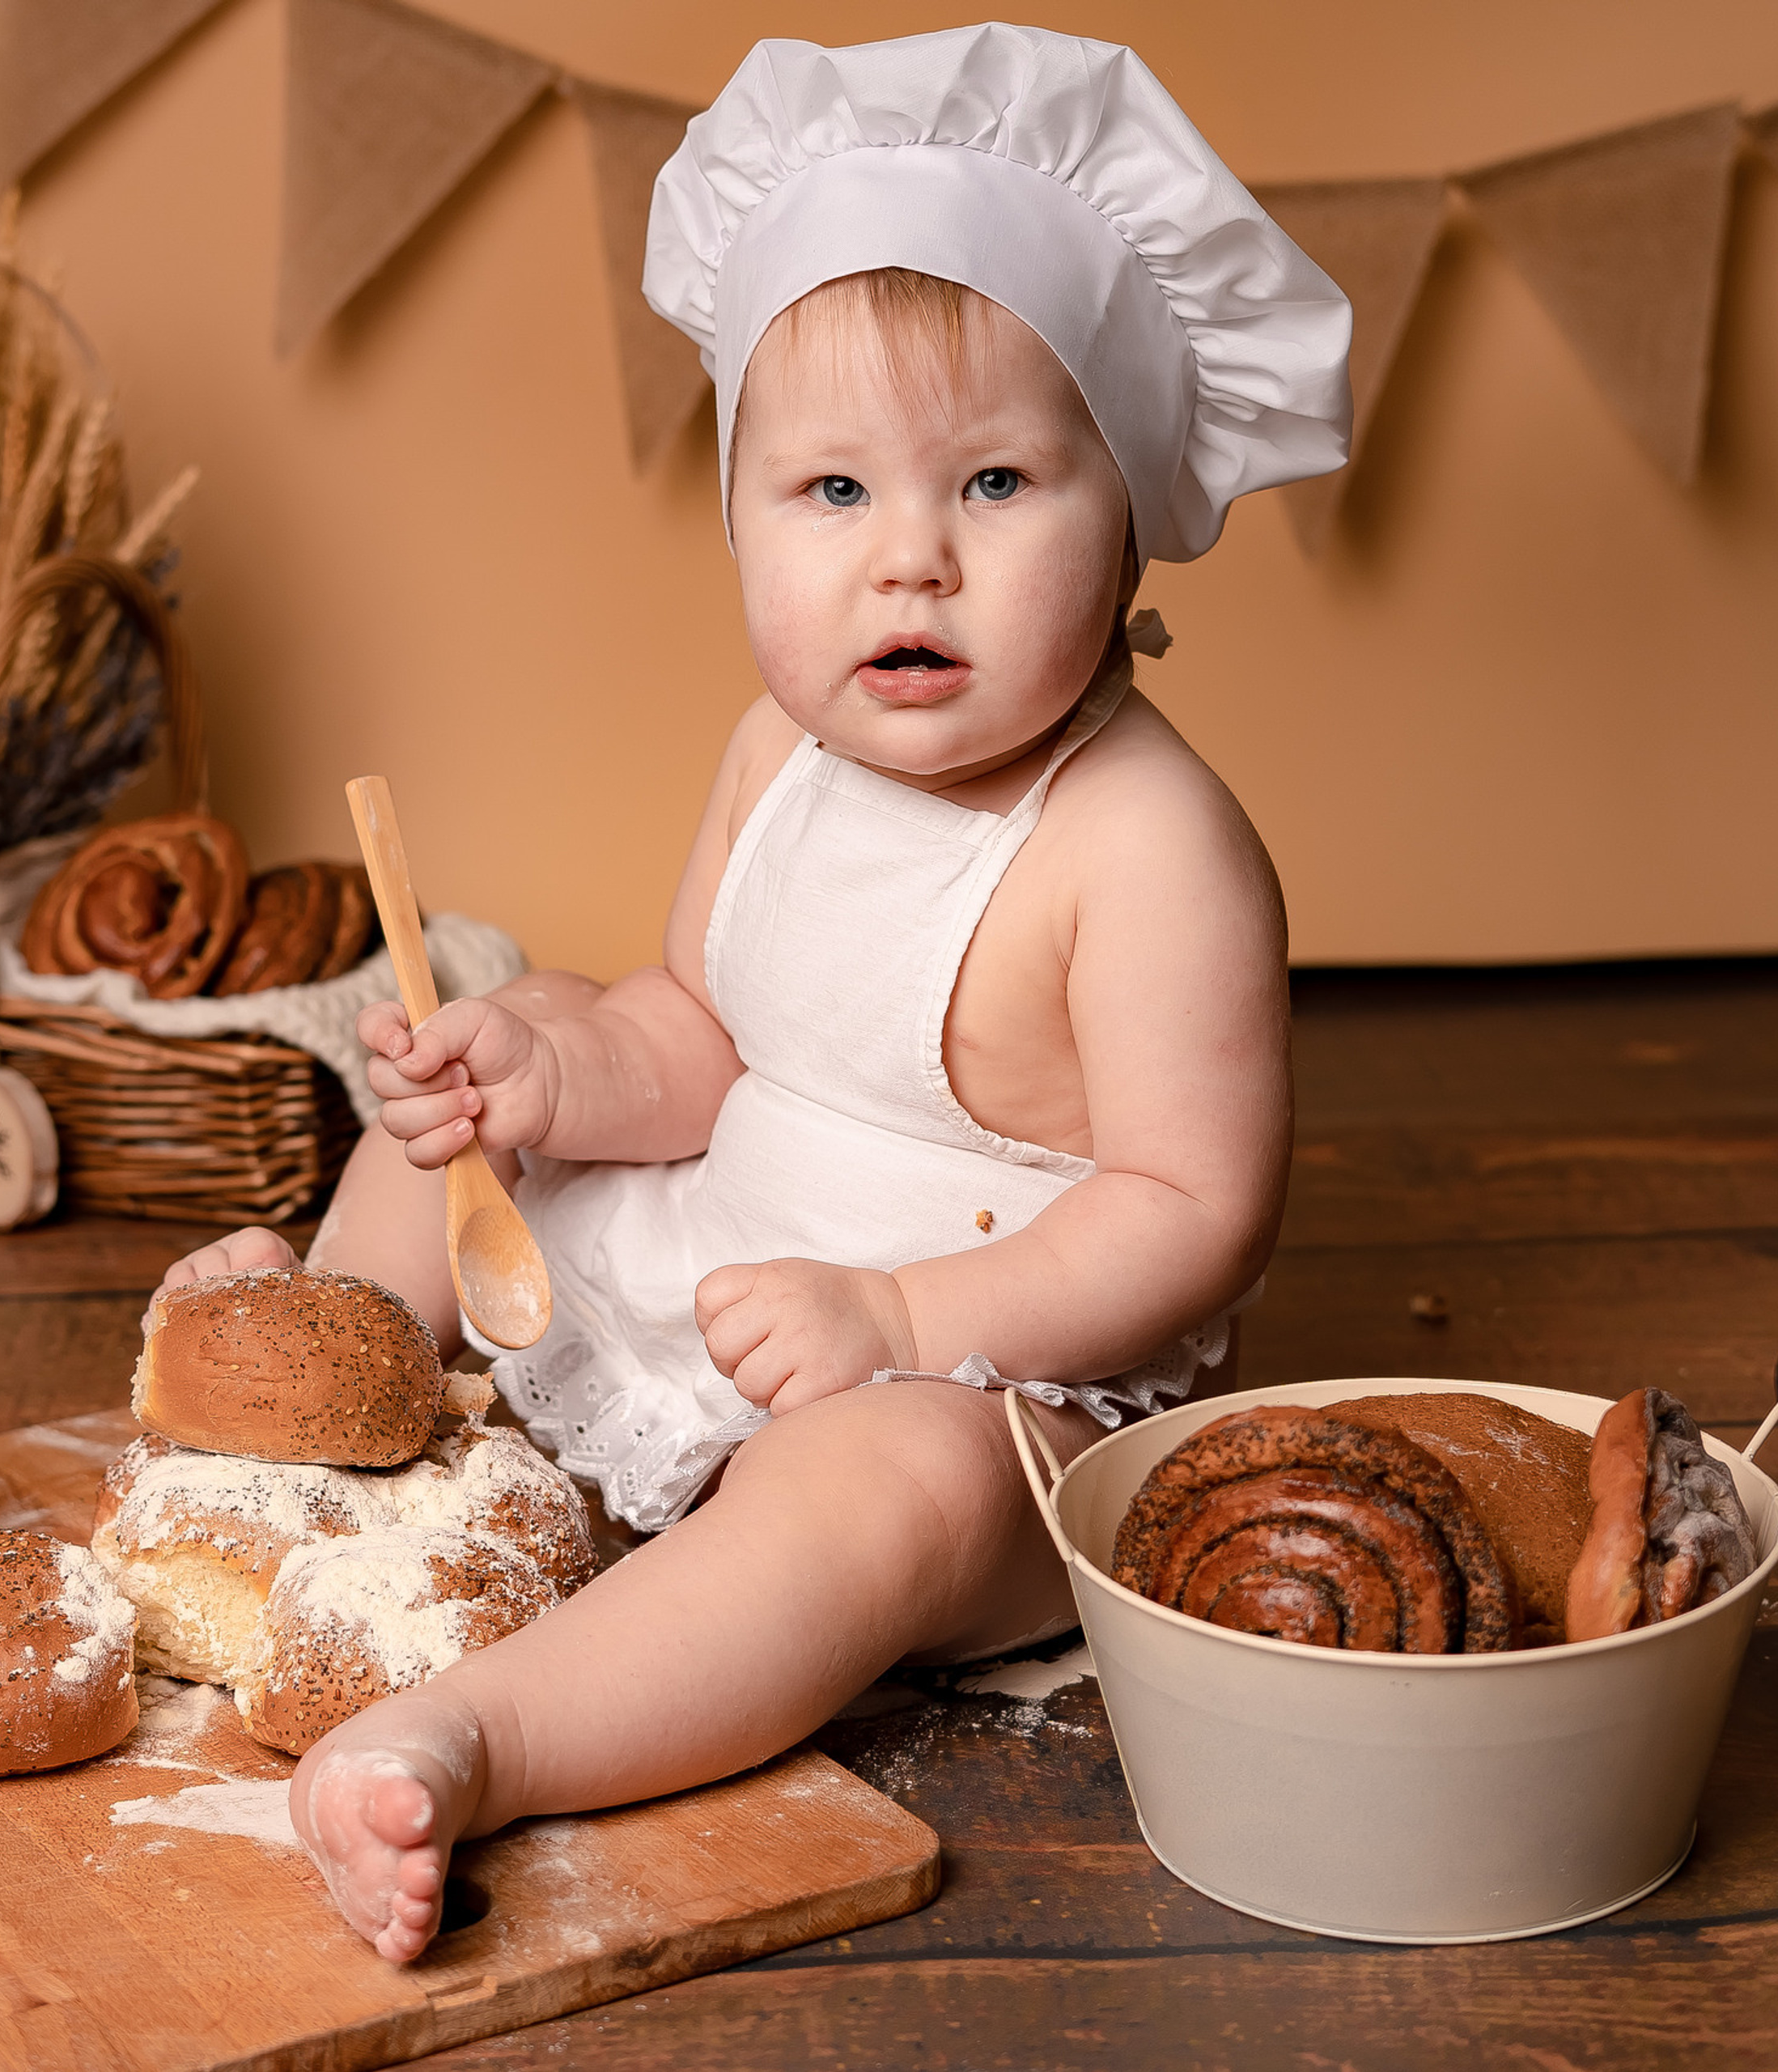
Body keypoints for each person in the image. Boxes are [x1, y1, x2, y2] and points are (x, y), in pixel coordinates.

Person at [153, 24, 1351, 1961]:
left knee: (882, 1487)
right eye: (827, 489)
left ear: (1125, 505)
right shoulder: (775, 750)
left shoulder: (1148, 845)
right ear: (737, 512)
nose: (908, 560)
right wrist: (549, 1070)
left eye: (992, 480)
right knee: (493, 1058)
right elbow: (701, 1033)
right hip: (741, 1238)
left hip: (998, 1357)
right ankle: (318, 1375)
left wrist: (904, 1317)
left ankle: (483, 1734)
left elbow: (1190, 1211)